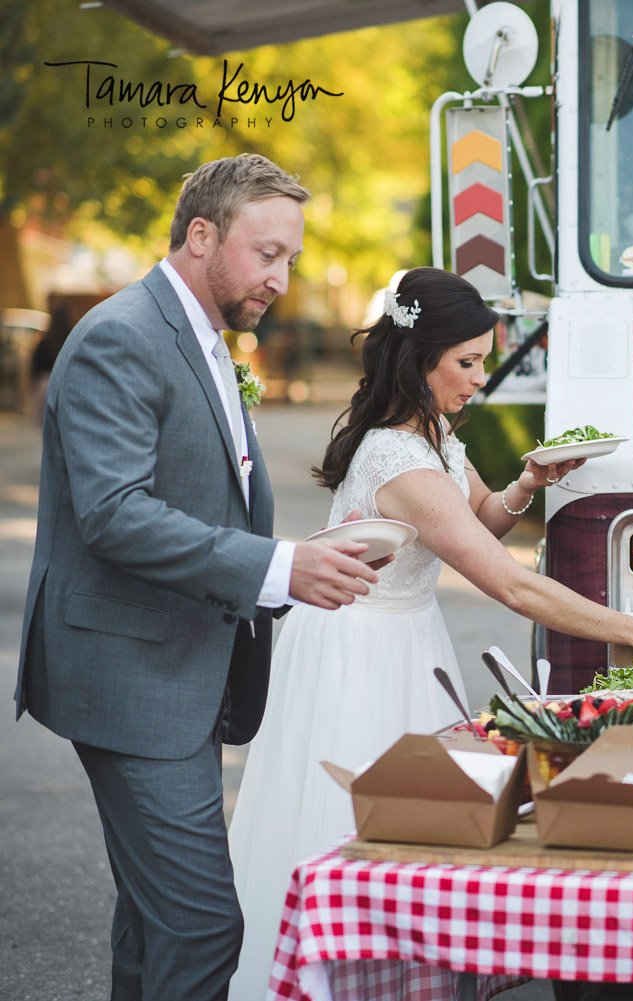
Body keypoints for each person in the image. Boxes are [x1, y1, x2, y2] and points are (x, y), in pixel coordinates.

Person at [226, 266, 633, 1000]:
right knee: (364, 837)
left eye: (484, 360)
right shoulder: (396, 455)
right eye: (468, 362)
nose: (479, 379)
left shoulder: (435, 435)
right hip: (358, 657)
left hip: (406, 639)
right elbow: (507, 581)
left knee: (417, 834)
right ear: (418, 359)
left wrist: (527, 482)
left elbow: (479, 517)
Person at [13, 153, 384, 1001]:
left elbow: (204, 490)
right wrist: (280, 565)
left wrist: (299, 556)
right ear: (201, 234)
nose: (281, 279)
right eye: (268, 254)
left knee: (153, 922)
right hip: (130, 678)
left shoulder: (205, 334)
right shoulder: (120, 336)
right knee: (203, 923)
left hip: (180, 668)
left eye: (289, 258)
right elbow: (114, 513)